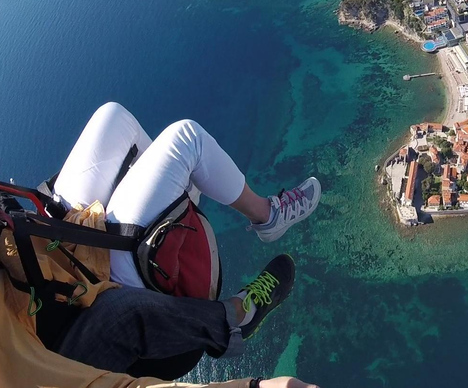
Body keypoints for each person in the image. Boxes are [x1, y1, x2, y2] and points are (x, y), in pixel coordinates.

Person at [0, 102, 322, 387]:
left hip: (45, 261)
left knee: (114, 118)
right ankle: (239, 304)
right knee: (188, 140)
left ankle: (185, 196)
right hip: (62, 325)